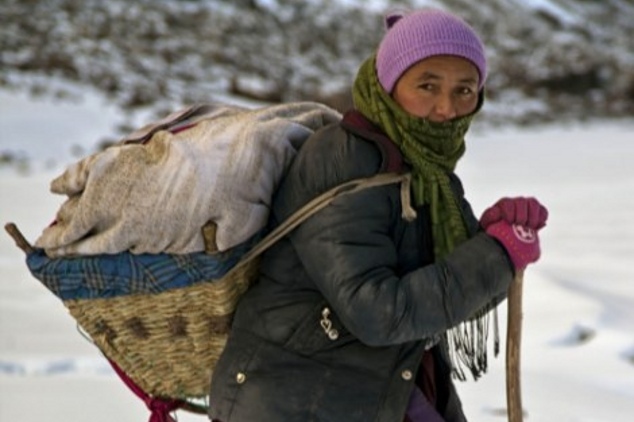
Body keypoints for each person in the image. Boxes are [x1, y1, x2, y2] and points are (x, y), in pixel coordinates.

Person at [208, 8, 548, 422]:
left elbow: (456, 300)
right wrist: (494, 255)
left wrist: (492, 240)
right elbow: (378, 313)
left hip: (382, 387)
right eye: (427, 85)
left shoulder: (429, 172)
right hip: (296, 397)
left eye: (465, 90)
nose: (446, 108)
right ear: (388, 85)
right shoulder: (342, 160)